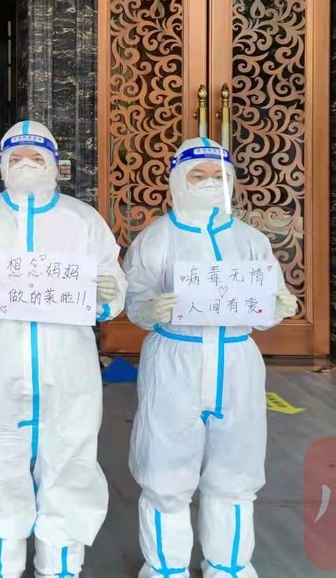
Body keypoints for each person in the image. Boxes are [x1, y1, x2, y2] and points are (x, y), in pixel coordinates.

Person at [0, 120, 125, 578]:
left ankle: (60, 569)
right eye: (16, 157)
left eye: (36, 157)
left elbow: (111, 276)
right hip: (0, 360)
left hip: (68, 363)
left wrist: (107, 294)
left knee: (70, 462)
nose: (26, 165)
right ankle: (0, 569)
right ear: (3, 165)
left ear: (54, 164)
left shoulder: (82, 220)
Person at [125, 138, 299, 578]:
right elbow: (135, 297)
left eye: (217, 176)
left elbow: (266, 303)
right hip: (174, 359)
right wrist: (148, 309)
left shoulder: (250, 239)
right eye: (197, 175)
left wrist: (279, 306)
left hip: (236, 360)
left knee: (235, 472)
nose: (208, 183)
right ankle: (165, 567)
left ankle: (230, 564)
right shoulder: (156, 238)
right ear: (177, 181)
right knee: (165, 471)